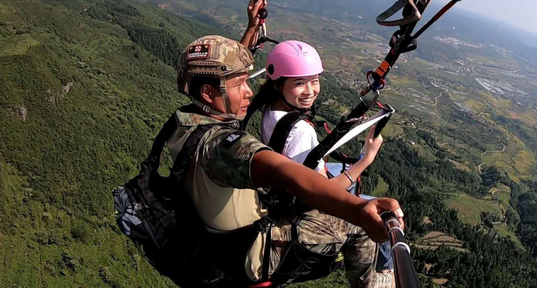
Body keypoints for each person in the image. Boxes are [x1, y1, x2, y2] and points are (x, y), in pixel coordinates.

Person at [167, 32, 401, 287]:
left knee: (339, 171)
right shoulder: (223, 147)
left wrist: (250, 30)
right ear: (208, 92)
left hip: (224, 235)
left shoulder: (187, 121)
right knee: (363, 224)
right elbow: (290, 176)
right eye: (239, 85)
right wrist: (361, 185)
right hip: (254, 252)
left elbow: (219, 88)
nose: (248, 92)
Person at [249, 40, 394, 273]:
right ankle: (384, 273)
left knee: (340, 169)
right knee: (382, 217)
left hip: (289, 178)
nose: (310, 91)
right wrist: (366, 159)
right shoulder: (300, 131)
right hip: (299, 203)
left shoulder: (268, 107)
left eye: (314, 81)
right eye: (299, 83)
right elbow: (319, 194)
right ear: (278, 83)